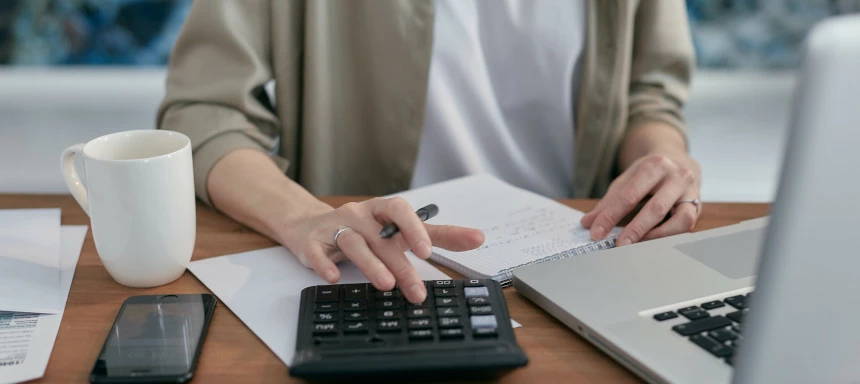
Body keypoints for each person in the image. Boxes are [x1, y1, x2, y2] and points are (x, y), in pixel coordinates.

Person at [157, 1, 700, 304]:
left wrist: (662, 159)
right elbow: (207, 111)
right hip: (368, 272)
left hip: (578, 264)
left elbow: (648, 96)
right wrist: (304, 217)